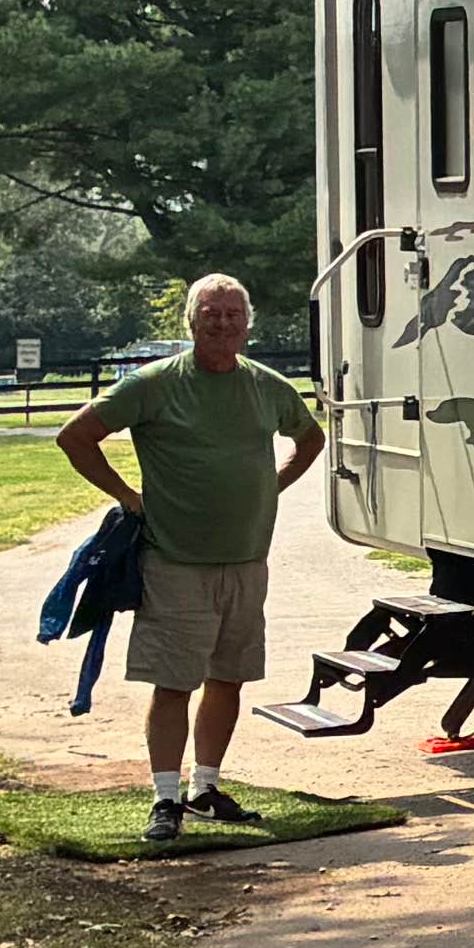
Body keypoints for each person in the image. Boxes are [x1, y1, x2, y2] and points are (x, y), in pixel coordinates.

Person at [53, 276, 327, 845]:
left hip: (246, 562)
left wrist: (271, 486)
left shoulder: (266, 387)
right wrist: (128, 497)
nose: (222, 323)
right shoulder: (153, 385)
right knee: (174, 683)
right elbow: (75, 436)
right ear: (191, 321)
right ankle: (165, 797)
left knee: (228, 678)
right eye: (211, 313)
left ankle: (205, 787)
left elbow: (311, 439)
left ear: (247, 325)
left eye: (232, 314)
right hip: (175, 562)